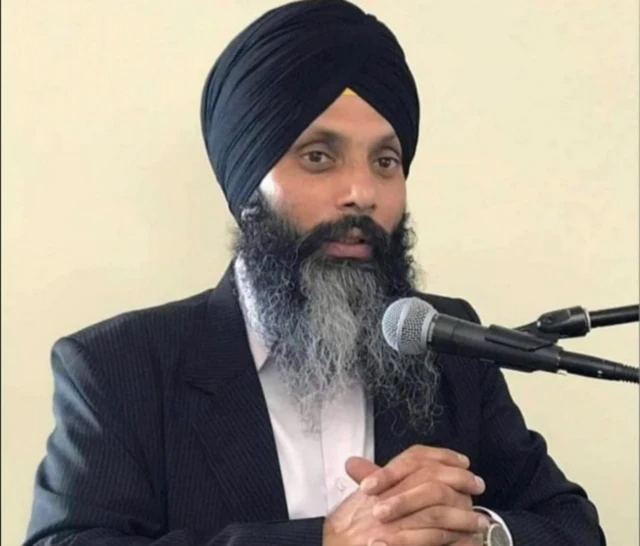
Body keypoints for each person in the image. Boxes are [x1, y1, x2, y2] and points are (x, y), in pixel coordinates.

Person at [24, 1, 606, 545]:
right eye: (319, 157)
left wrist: (478, 533)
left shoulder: (443, 339)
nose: (361, 193)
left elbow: (572, 525)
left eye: (385, 161)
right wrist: (324, 540)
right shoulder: (119, 367)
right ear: (247, 187)